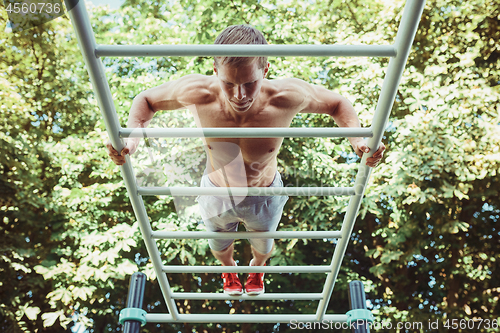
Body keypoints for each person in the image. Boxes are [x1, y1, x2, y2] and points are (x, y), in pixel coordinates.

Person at [106, 25, 386, 296]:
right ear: (215, 70)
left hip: (264, 193)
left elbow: (338, 104)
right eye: (228, 83)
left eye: (250, 83)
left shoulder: (286, 97)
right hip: (216, 190)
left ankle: (258, 268)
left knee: (263, 246)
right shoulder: (197, 92)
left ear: (265, 70)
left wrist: (358, 141)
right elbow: (145, 101)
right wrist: (131, 141)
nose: (239, 95)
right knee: (219, 245)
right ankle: (228, 268)